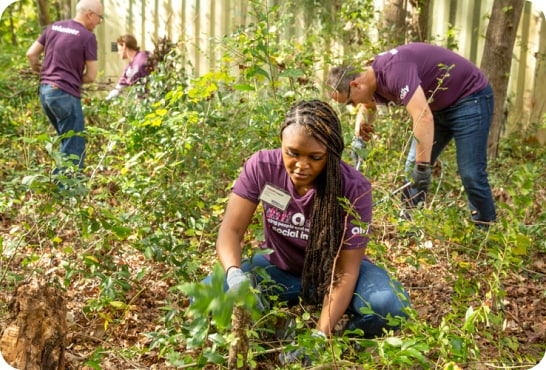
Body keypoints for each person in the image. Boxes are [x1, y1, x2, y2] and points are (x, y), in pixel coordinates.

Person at [211, 100, 410, 365]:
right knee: (210, 296)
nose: (300, 165)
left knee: (389, 307)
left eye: (315, 157)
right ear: (281, 143)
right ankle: (277, 330)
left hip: (332, 273)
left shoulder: (353, 188)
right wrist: (235, 275)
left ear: (331, 153)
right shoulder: (262, 167)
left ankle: (340, 341)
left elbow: (346, 271)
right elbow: (231, 230)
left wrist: (319, 335)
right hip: (279, 267)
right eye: (292, 153)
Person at [327, 42, 496, 226]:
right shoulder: (369, 78)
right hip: (437, 106)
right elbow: (368, 107)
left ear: (355, 84)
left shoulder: (394, 72)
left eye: (350, 102)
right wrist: (358, 138)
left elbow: (422, 117)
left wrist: (423, 167)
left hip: (470, 99)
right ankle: (407, 226)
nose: (353, 106)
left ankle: (485, 231)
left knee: (471, 173)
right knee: (411, 170)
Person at [26, 0, 103, 181]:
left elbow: (31, 54)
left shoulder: (54, 27)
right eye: (100, 17)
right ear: (90, 14)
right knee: (74, 146)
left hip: (46, 93)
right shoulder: (87, 37)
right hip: (64, 95)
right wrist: (73, 81)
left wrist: (42, 72)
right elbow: (91, 76)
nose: (99, 22)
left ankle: (56, 187)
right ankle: (67, 194)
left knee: (65, 141)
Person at [105, 34, 151, 100]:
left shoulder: (143, 56)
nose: (118, 53)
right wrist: (106, 100)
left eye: (118, 49)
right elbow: (119, 88)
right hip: (142, 103)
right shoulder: (128, 69)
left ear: (124, 45)